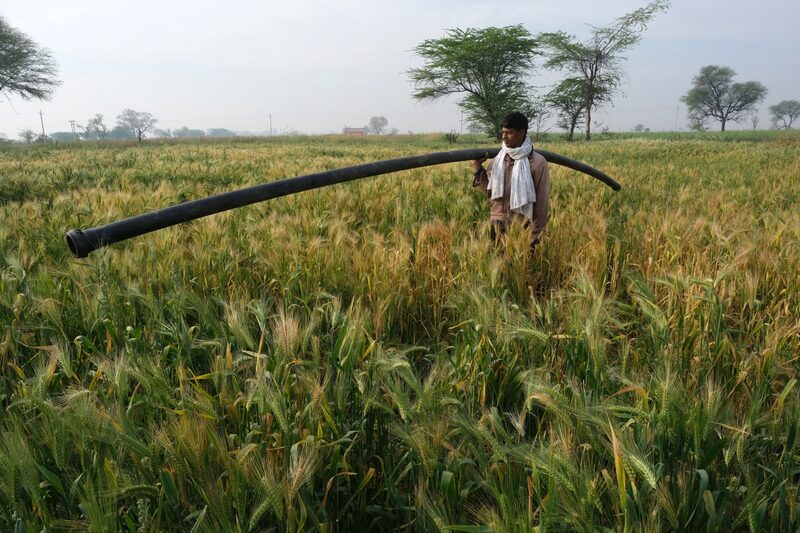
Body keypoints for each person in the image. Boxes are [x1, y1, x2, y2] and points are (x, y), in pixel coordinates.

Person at [471, 112, 550, 252]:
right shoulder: (497, 161)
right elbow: (491, 194)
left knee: (521, 271)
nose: (504, 137)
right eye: (503, 132)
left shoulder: (537, 163)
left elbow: (542, 203)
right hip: (497, 224)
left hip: (522, 226)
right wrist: (478, 170)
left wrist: (535, 234)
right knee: (498, 269)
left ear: (522, 133)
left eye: (509, 133)